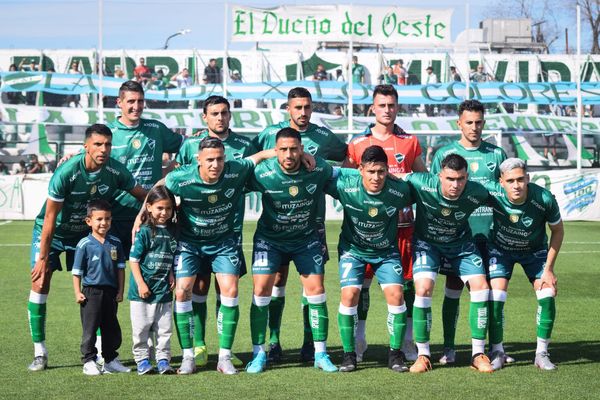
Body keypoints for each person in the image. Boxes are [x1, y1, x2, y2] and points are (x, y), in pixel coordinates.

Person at [27, 123, 146, 372]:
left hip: (84, 235)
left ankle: (102, 354)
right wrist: (42, 257)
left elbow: (141, 194)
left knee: (100, 286)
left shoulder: (115, 170)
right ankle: (40, 352)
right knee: (40, 282)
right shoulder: (68, 172)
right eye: (98, 144)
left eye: (108, 145)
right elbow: (49, 218)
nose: (104, 149)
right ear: (86, 147)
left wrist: (162, 206)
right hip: (54, 233)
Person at [161, 137, 276, 375]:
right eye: (210, 160)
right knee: (182, 290)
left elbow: (255, 159)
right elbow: (160, 188)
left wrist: (278, 152)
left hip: (223, 242)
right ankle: (188, 356)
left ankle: (224, 357)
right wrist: (142, 216)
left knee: (230, 290)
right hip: (190, 243)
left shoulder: (235, 170)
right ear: (198, 160)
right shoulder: (181, 177)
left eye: (220, 159)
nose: (215, 164)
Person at [252, 87, 347, 364]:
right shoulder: (271, 133)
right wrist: (274, 154)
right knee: (276, 281)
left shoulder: (323, 136)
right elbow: (247, 163)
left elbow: (346, 157)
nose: (302, 113)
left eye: (307, 107)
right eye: (297, 107)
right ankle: (273, 340)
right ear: (288, 108)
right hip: (276, 223)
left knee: (312, 286)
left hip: (312, 224)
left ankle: (310, 344)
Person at [344, 84, 427, 363]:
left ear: (397, 106)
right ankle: (359, 337)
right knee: (361, 286)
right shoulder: (357, 144)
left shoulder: (410, 142)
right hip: (365, 230)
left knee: (405, 287)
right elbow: (346, 181)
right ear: (372, 108)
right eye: (382, 105)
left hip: (402, 229)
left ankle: (406, 341)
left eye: (392, 105)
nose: (387, 110)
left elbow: (422, 182)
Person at [244, 128, 336, 374]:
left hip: (305, 239)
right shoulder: (263, 172)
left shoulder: (317, 168)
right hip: (270, 240)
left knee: (316, 290)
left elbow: (344, 176)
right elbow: (230, 173)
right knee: (262, 289)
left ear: (302, 150)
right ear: (276, 150)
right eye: (283, 149)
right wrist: (263, 155)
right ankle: (259, 353)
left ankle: (320, 353)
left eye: (294, 149)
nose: (288, 154)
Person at [175, 95, 257, 369]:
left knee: (227, 290)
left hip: (228, 231)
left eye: (224, 113)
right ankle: (197, 346)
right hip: (192, 233)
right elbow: (176, 180)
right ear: (205, 117)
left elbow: (260, 162)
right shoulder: (189, 145)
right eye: (214, 113)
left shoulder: (245, 145)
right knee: (196, 287)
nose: (220, 118)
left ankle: (225, 352)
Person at [430, 99, 507, 366]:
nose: (475, 127)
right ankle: (449, 347)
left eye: (479, 122)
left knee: (493, 292)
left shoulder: (496, 154)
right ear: (459, 123)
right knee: (452, 289)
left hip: (492, 235)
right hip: (458, 235)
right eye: (469, 122)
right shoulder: (444, 155)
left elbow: (505, 194)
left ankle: (495, 348)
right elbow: (433, 193)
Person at [327, 145, 413, 373]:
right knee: (350, 294)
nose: (376, 177)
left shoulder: (400, 190)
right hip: (353, 251)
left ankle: (396, 354)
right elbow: (319, 173)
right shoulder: (345, 183)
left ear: (388, 171)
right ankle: (349, 354)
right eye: (371, 171)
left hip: (386, 252)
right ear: (361, 170)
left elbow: (427, 186)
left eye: (382, 172)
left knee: (396, 295)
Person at [405, 154, 494, 373]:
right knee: (423, 289)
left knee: (481, 287)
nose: (456, 185)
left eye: (461, 179)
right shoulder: (420, 182)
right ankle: (423, 355)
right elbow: (388, 177)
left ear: (467, 177)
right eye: (450, 179)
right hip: (428, 245)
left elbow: (507, 193)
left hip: (462, 246)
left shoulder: (478, 191)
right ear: (439, 176)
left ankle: (478, 353)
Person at [485, 158, 563, 371]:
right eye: (510, 181)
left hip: (535, 252)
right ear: (501, 182)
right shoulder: (492, 191)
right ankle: (497, 350)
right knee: (496, 295)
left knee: (547, 294)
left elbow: (558, 231)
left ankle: (541, 353)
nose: (516, 185)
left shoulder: (544, 198)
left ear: (528, 178)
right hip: (501, 250)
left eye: (521, 179)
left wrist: (549, 269)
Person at [107, 80, 183, 257]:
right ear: (119, 103)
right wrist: (71, 155)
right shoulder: (108, 132)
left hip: (151, 214)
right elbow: (89, 155)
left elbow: (187, 146)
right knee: (112, 274)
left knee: (150, 271)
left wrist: (172, 167)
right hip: (117, 212)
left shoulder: (155, 128)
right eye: (131, 101)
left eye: (140, 101)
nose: (136, 106)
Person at [72, 200, 129, 376]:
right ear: (89, 221)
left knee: (111, 327)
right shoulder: (84, 244)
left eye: (107, 219)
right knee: (90, 328)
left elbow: (120, 269)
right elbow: (76, 272)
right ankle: (89, 361)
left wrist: (120, 290)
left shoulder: (116, 242)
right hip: (91, 292)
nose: (104, 223)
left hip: (111, 293)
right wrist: (77, 291)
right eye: (99, 219)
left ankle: (110, 360)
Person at [128, 186, 178, 375]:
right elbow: (134, 260)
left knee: (164, 329)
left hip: (164, 289)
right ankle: (142, 360)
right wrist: (141, 283)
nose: (164, 213)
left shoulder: (174, 230)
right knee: (141, 328)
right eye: (159, 208)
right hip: (141, 291)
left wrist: (171, 273)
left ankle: (163, 360)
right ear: (148, 207)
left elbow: (171, 255)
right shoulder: (145, 231)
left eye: (168, 208)